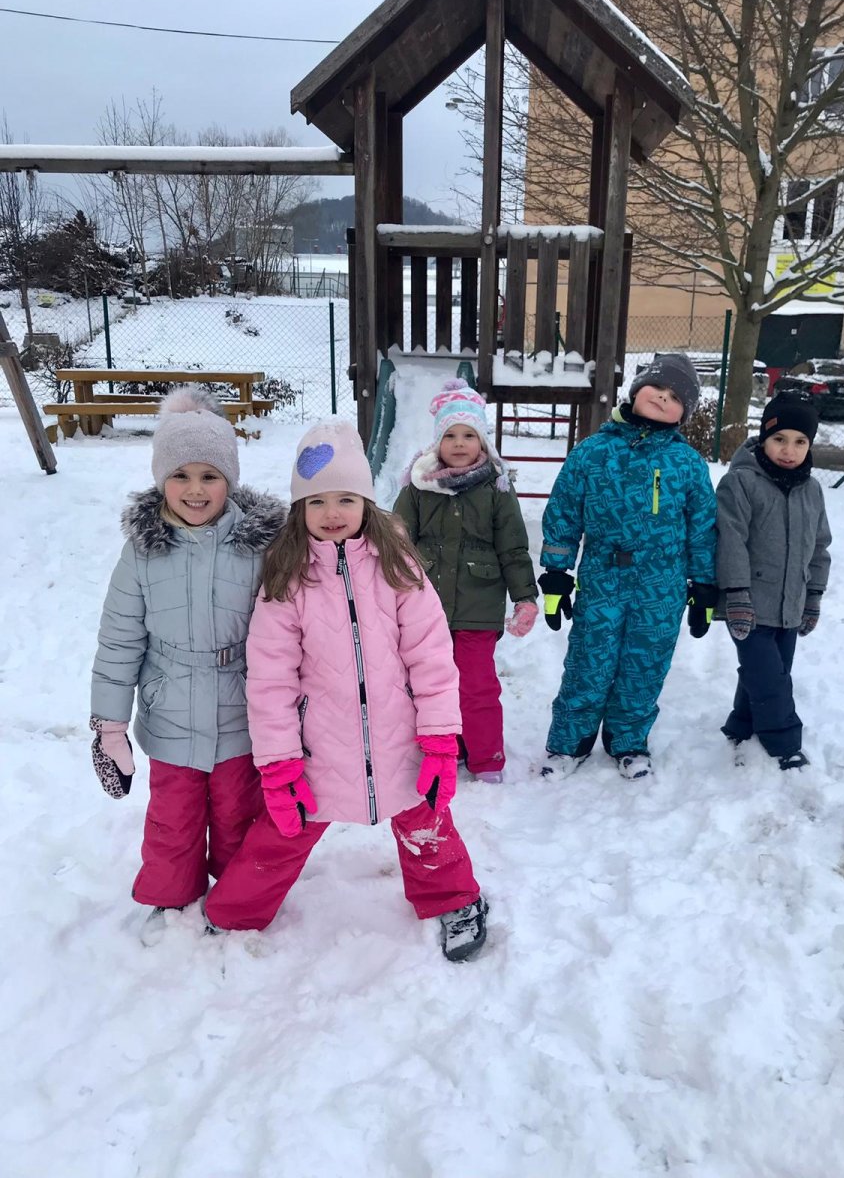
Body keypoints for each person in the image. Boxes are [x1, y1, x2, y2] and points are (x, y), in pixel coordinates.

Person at [203, 421, 488, 963]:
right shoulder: (286, 579)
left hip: (399, 740)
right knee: (282, 833)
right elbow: (270, 678)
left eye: (345, 498)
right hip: (320, 748)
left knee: (427, 825)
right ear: (299, 509)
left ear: (366, 503)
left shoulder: (398, 567)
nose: (332, 512)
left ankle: (454, 900)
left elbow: (431, 657)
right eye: (316, 501)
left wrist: (439, 739)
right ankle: (235, 911)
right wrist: (280, 763)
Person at [90, 388, 286, 944]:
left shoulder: (261, 546)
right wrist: (109, 725)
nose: (195, 490)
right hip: (170, 710)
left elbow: (290, 633)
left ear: (230, 480)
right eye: (180, 476)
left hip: (241, 711)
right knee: (172, 817)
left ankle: (236, 891)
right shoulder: (143, 551)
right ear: (161, 480)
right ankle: (171, 896)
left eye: (209, 476)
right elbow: (119, 639)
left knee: (236, 812)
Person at [538, 353, 717, 781]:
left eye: (676, 397)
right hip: (603, 579)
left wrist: (705, 586)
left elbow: (703, 529)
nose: (664, 398)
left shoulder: (687, 463)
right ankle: (569, 742)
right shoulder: (592, 452)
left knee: (645, 665)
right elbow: (564, 513)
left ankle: (629, 741)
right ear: (636, 390)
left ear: (684, 413)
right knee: (589, 661)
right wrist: (557, 574)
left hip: (662, 586)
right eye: (658, 387)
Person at [393, 378, 538, 783]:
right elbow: (397, 544)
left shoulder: (496, 487)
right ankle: (444, 746)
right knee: (428, 683)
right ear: (437, 441)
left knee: (476, 685)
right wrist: (390, 593)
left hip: (478, 607)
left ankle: (486, 757)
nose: (459, 443)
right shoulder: (419, 486)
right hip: (427, 607)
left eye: (469, 435)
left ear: (482, 441)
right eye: (450, 435)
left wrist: (525, 597)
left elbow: (513, 547)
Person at [716, 391, 831, 769]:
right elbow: (730, 540)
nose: (789, 450)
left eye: (800, 442)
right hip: (748, 601)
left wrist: (813, 596)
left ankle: (742, 723)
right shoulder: (741, 483)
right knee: (771, 680)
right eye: (779, 438)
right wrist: (736, 594)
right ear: (764, 437)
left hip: (790, 604)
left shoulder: (811, 490)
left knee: (772, 671)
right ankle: (784, 743)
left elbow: (819, 546)